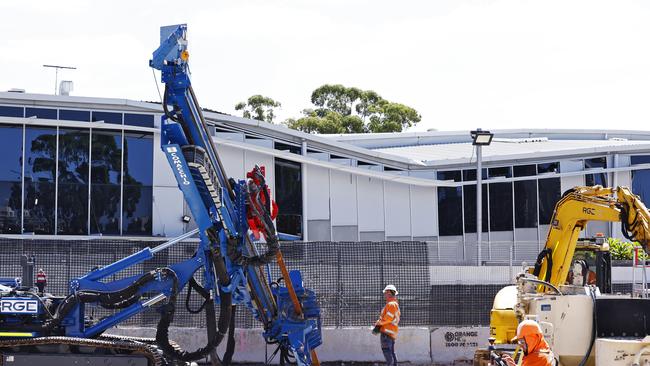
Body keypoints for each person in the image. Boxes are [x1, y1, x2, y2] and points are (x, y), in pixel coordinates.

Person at [372, 284, 400, 366]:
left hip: (387, 334)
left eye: (385, 293)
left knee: (388, 353)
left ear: (389, 293)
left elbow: (388, 318)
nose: (384, 295)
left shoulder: (391, 304)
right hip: (391, 333)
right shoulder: (395, 304)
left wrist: (378, 323)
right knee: (391, 353)